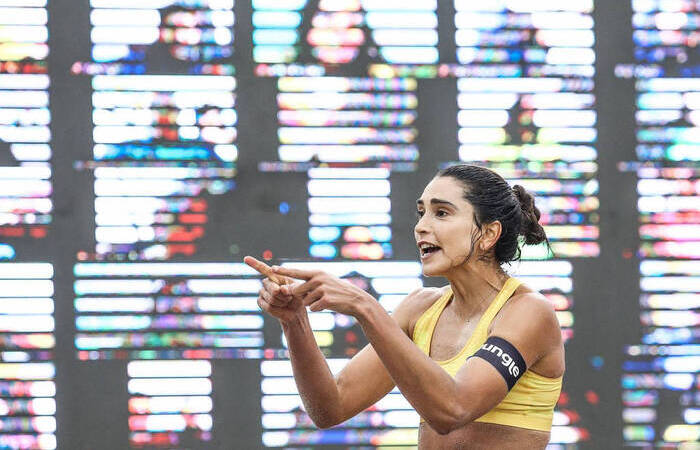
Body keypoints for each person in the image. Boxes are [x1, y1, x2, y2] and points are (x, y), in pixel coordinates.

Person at [245, 164, 565, 449]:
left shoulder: (528, 311)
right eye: (421, 212)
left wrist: (363, 305)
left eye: (441, 213)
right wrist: (294, 322)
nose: (421, 226)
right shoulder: (420, 308)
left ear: (488, 234)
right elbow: (331, 407)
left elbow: (452, 410)